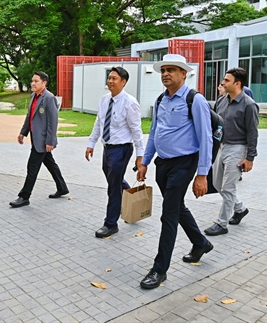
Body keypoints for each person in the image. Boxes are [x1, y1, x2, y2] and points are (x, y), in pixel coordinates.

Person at [136, 54, 213, 290]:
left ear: (184, 73)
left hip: (184, 164)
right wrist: (144, 161)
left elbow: (206, 138)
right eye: (163, 70)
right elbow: (155, 132)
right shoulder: (161, 100)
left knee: (168, 214)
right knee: (177, 207)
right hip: (163, 164)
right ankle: (200, 242)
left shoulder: (194, 100)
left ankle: (160, 270)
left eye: (172, 70)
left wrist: (202, 174)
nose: (166, 74)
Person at [86, 66, 144, 238]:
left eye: (114, 78)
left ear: (123, 82)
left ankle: (111, 224)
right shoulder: (104, 100)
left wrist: (140, 157)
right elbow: (99, 123)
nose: (110, 81)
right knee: (115, 181)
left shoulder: (130, 103)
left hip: (122, 149)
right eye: (109, 78)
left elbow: (137, 131)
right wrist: (91, 143)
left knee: (113, 186)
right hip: (108, 148)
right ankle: (132, 202)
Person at [204, 67, 259, 236]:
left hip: (238, 148)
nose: (223, 83)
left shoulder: (249, 105)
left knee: (228, 187)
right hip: (221, 146)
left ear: (237, 83)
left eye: (227, 80)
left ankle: (222, 224)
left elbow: (252, 132)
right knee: (217, 184)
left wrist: (250, 158)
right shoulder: (222, 100)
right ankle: (240, 209)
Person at [9, 71, 69, 208]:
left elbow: (52, 122)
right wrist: (23, 132)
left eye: (36, 81)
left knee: (32, 167)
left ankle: (24, 197)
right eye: (32, 81)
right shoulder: (33, 96)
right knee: (50, 163)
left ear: (44, 83)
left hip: (43, 141)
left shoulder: (49, 98)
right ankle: (62, 187)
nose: (33, 83)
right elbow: (29, 116)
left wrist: (50, 141)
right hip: (35, 138)